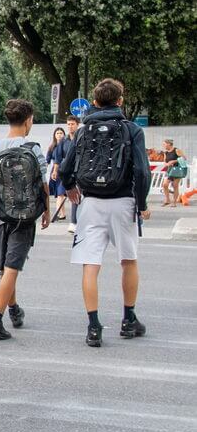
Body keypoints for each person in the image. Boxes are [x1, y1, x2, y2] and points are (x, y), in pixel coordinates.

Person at [59, 78, 151, 348]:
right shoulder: (132, 129)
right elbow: (142, 171)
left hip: (91, 204)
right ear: (120, 101)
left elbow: (66, 168)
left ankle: (94, 326)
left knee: (91, 264)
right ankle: (129, 319)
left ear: (95, 103)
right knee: (128, 260)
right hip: (123, 201)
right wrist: (142, 204)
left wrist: (70, 188)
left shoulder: (83, 130)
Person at [0, 99, 50, 339]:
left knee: (6, 267)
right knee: (12, 267)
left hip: (0, 217)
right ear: (28, 120)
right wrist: (47, 211)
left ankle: (13, 308)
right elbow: (43, 184)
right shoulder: (34, 148)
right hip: (25, 217)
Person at [52, 116, 80, 232]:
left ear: (77, 124)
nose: (70, 126)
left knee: (79, 196)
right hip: (66, 173)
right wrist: (55, 171)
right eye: (68, 124)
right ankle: (73, 222)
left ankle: (76, 221)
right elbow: (58, 158)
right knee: (64, 194)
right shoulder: (63, 141)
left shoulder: (82, 138)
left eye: (72, 124)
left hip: (79, 172)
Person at [46, 127, 67, 220]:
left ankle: (59, 214)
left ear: (64, 134)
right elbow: (47, 160)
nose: (59, 135)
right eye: (57, 133)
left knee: (60, 194)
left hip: (65, 171)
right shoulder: (52, 147)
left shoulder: (67, 145)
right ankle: (62, 214)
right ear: (54, 135)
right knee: (60, 194)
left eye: (61, 133)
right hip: (55, 172)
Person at [161, 138, 188, 207]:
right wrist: (167, 164)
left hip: (177, 170)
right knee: (165, 184)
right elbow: (165, 161)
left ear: (169, 144)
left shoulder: (176, 150)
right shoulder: (165, 152)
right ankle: (167, 200)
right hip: (169, 170)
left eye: (164, 144)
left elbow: (184, 158)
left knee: (175, 186)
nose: (163, 146)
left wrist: (174, 161)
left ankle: (174, 203)